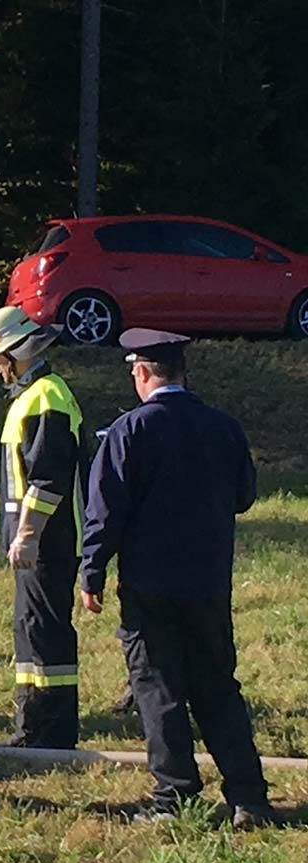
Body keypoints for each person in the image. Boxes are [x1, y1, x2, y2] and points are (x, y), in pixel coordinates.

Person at [81, 329, 276, 828]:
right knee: (217, 686)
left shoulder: (129, 432)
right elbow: (244, 497)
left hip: (150, 585)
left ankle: (175, 797)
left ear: (142, 373)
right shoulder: (224, 428)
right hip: (209, 581)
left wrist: (92, 571)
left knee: (158, 687)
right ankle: (249, 798)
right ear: (183, 373)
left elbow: (106, 512)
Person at [0, 306, 87, 749]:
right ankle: (40, 727)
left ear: (16, 353)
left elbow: (48, 476)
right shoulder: (36, 395)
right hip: (44, 540)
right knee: (34, 628)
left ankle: (45, 733)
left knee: (43, 631)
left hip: (49, 541)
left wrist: (27, 534)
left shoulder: (44, 397)